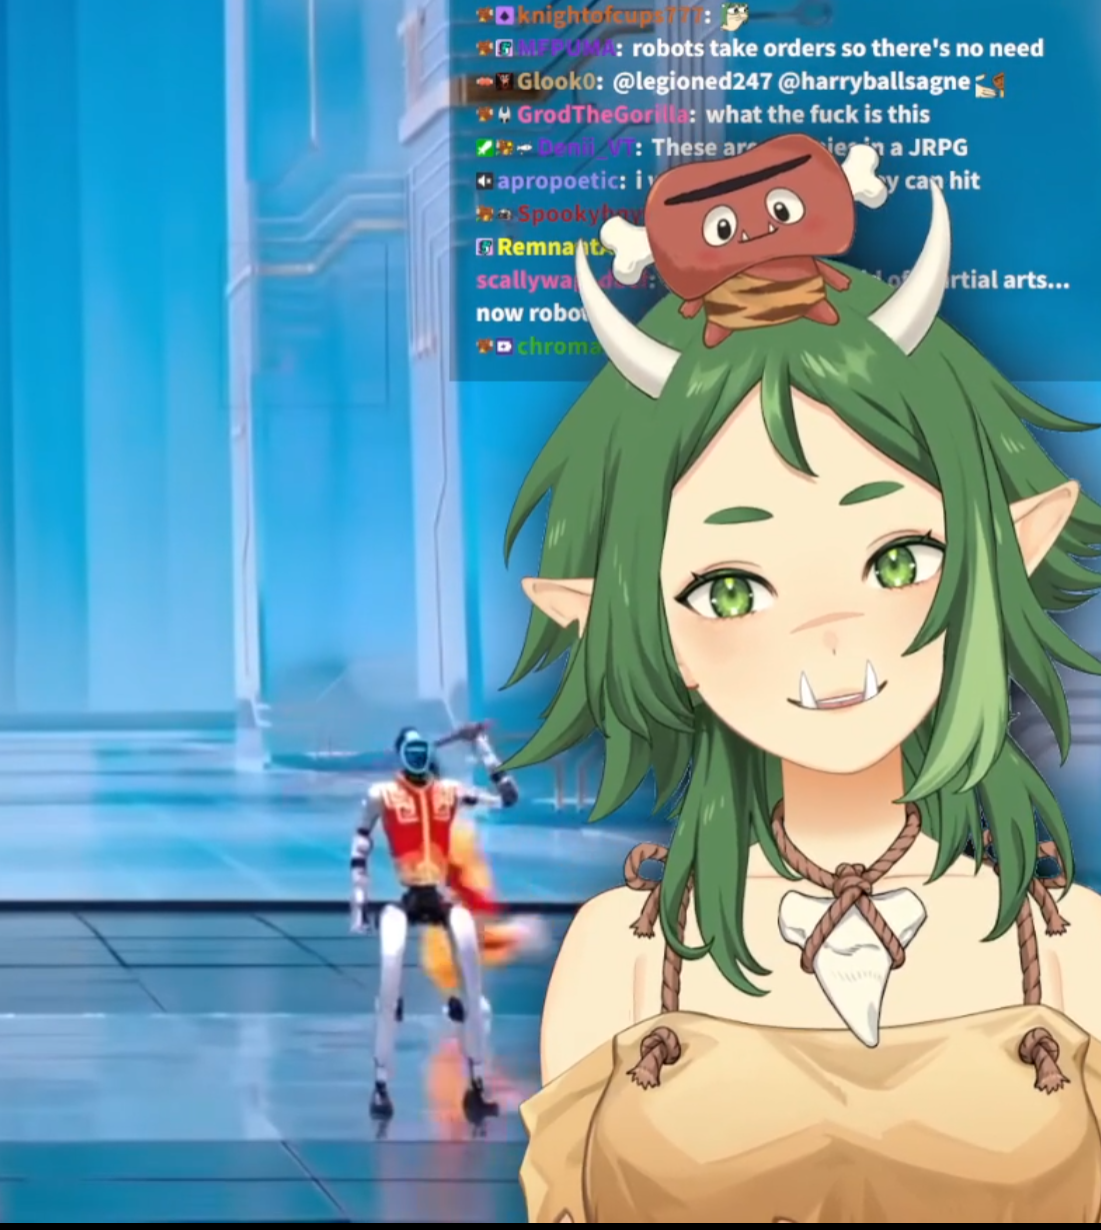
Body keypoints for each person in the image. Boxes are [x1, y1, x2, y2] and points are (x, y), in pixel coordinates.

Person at [511, 180, 1101, 1221]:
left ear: (1004, 550)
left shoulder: (1069, 947)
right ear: (620, 620)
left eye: (899, 559)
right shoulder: (623, 956)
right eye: (729, 590)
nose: (831, 642)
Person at [350, 728, 501, 1119]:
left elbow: (505, 798)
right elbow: (361, 843)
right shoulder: (383, 795)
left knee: (473, 988)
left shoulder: (449, 792)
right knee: (389, 985)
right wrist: (359, 901)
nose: (417, 755)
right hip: (408, 897)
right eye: (410, 748)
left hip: (441, 896)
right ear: (401, 752)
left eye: (422, 748)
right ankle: (380, 1084)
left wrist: (483, 747)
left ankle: (477, 1084)